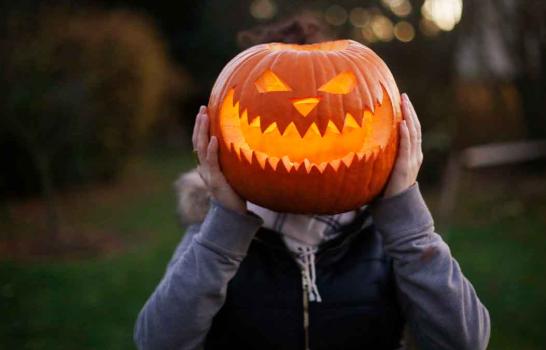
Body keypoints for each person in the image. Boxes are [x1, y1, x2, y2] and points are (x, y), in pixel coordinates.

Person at [134, 90, 490, 349]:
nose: (306, 108)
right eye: (273, 89)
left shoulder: (389, 238)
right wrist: (225, 223)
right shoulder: (216, 233)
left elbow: (465, 342)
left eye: (336, 90)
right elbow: (157, 342)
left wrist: (407, 220)